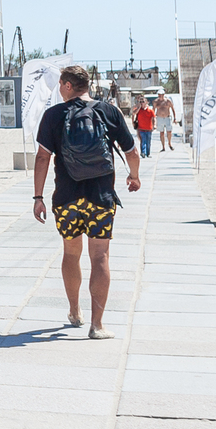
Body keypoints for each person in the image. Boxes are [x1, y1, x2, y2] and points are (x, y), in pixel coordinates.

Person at [32, 64, 141, 338]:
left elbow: (43, 157)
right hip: (100, 197)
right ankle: (97, 325)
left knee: (71, 253)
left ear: (68, 85)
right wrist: (134, 177)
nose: (59, 89)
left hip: (66, 197)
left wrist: (38, 197)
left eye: (60, 85)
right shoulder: (108, 111)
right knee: (100, 256)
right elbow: (132, 152)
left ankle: (74, 311)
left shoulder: (53, 115)